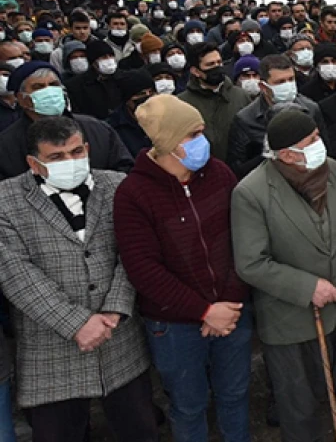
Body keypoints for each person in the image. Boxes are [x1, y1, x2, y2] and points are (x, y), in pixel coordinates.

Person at [0, 117, 158, 441]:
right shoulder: (6, 199)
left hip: (119, 337)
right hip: (51, 346)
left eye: (75, 152)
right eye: (56, 157)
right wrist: (75, 323)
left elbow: (135, 252)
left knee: (139, 428)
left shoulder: (117, 185)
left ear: (86, 149)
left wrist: (115, 309)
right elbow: (15, 271)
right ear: (34, 163)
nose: (70, 162)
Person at [115, 95, 253, 442]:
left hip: (233, 311)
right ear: (166, 143)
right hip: (175, 325)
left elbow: (245, 238)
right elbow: (143, 267)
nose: (201, 142)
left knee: (235, 396)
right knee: (188, 406)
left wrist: (230, 302)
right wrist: (203, 310)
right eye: (191, 135)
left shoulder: (219, 174)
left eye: (201, 132)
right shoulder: (134, 193)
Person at [232, 109, 336, 442]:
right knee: (299, 406)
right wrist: (306, 286)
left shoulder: (335, 173)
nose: (319, 145)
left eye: (317, 137)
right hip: (292, 320)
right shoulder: (251, 193)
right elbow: (251, 262)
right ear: (285, 154)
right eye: (310, 141)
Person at [0, 61, 133, 179]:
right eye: (38, 87)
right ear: (22, 99)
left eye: (53, 84)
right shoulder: (6, 145)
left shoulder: (97, 129)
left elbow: (125, 169)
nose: (49, 91)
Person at [227, 54, 325, 178]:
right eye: (280, 82)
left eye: (291, 79)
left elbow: (325, 149)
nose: (288, 85)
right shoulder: (245, 120)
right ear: (263, 86)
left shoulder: (311, 109)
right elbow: (237, 168)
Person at [177, 43, 253, 163]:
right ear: (196, 71)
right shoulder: (182, 104)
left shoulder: (240, 96)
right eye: (210, 64)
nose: (217, 67)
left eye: (219, 62)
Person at [65, 38, 121, 120]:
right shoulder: (75, 85)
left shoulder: (122, 78)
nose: (109, 60)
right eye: (104, 57)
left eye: (111, 56)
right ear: (93, 62)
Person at [106, 70, 155, 156]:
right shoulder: (113, 127)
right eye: (141, 93)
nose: (147, 97)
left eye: (151, 92)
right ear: (127, 99)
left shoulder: (164, 118)